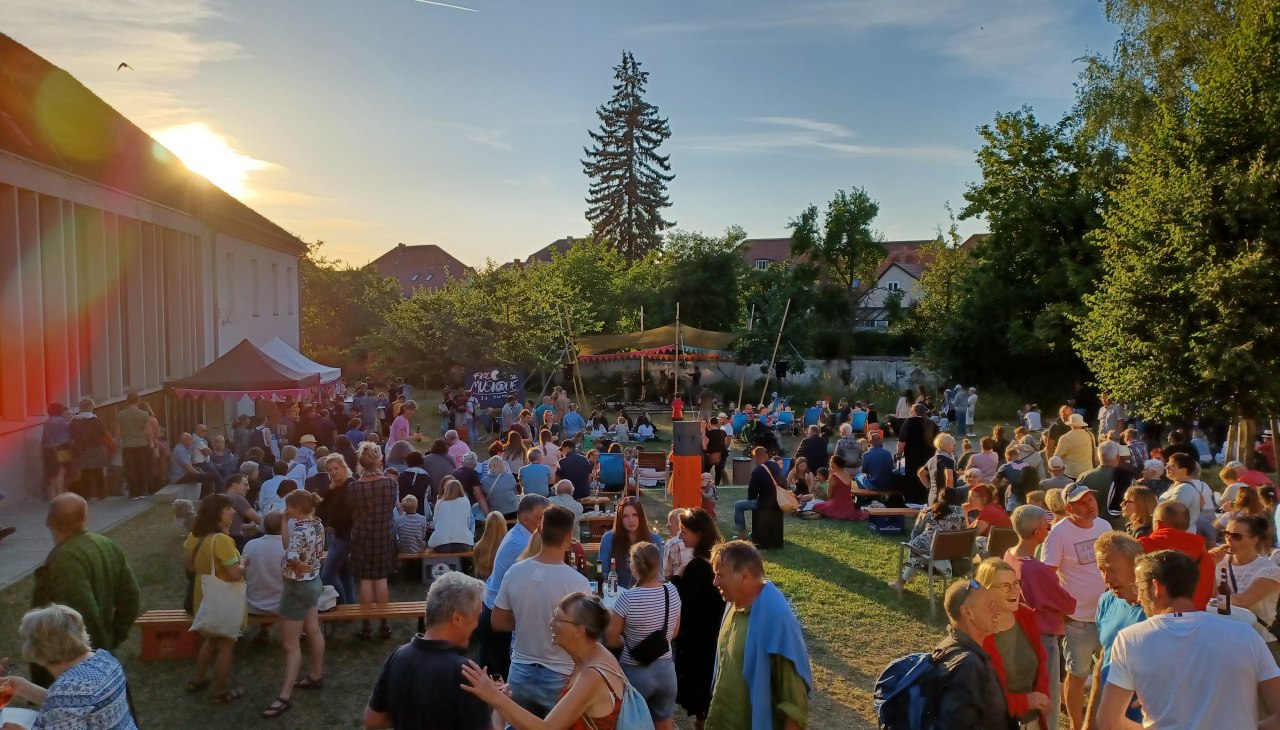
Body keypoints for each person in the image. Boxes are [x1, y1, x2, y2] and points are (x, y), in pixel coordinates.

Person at [1096, 550, 1280, 730]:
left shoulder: (1130, 639)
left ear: (1156, 587)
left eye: (1140, 588)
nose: (1138, 597)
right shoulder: (1245, 634)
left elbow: (1108, 723)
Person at [463, 591, 630, 729]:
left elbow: (548, 728)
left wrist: (495, 698)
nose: (551, 623)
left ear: (579, 630)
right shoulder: (593, 653)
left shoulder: (592, 675)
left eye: (558, 618)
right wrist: (500, 703)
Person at [492, 505, 591, 717]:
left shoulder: (514, 572)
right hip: (560, 671)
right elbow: (585, 634)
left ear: (538, 530)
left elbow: (498, 621)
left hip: (520, 668)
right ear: (569, 538)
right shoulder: (578, 583)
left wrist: (526, 618)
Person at [363, 571, 493, 730]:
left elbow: (372, 720)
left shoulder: (398, 656)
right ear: (457, 619)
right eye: (476, 617)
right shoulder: (466, 674)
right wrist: (498, 707)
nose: (477, 625)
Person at [704, 540, 811, 730]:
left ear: (744, 575)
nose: (715, 582)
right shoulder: (732, 606)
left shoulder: (777, 620)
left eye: (720, 575)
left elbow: (795, 706)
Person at [31, 493, 140, 675]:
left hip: (71, 662)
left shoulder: (64, 559)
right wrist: (114, 636)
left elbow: (82, 613)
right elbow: (131, 597)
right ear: (84, 518)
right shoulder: (106, 544)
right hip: (98, 652)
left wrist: (100, 647)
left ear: (49, 522)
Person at [0, 604, 138, 729]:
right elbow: (75, 706)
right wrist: (24, 688)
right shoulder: (105, 660)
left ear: (40, 649)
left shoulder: (69, 690)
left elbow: (70, 702)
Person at [1041, 484, 1110, 729]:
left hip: (1108, 614)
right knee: (1078, 674)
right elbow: (1047, 575)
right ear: (1070, 508)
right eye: (1082, 501)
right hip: (1078, 619)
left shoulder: (1104, 526)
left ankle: (1101, 721)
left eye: (1091, 499)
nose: (1090, 504)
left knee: (1111, 674)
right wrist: (1059, 609)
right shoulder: (1059, 533)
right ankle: (1076, 724)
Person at [1005, 505, 1074, 730]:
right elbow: (1068, 604)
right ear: (1038, 532)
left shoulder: (1009, 555)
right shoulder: (1037, 570)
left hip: (1017, 636)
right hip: (1042, 639)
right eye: (1047, 526)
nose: (1049, 529)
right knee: (1047, 700)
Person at [261, 489, 327, 719]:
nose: (286, 510)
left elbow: (290, 555)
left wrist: (296, 564)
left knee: (290, 644)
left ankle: (284, 697)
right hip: (313, 583)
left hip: (296, 588)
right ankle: (316, 675)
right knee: (313, 629)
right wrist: (284, 523)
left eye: (288, 506)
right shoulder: (317, 524)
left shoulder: (300, 532)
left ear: (297, 508)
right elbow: (290, 545)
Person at [605, 542, 682, 729]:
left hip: (635, 673)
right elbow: (674, 633)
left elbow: (611, 640)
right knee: (664, 722)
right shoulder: (672, 592)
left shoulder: (626, 598)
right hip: (666, 672)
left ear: (634, 566)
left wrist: (628, 641)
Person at [479, 494, 550, 679]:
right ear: (525, 518)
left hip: (492, 608)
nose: (546, 522)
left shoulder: (519, 534)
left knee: (489, 672)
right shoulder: (521, 544)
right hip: (498, 616)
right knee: (501, 677)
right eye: (541, 517)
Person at [183, 494, 246, 704]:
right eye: (228, 508)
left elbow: (190, 568)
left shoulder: (193, 538)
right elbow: (235, 574)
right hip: (224, 598)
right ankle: (220, 691)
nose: (233, 512)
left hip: (204, 595)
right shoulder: (221, 541)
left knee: (210, 640)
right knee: (226, 645)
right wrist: (244, 563)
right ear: (217, 513)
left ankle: (198, 679)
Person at [973, 558, 1049, 729]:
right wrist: (1025, 702)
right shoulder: (978, 635)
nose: (1015, 590)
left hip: (1032, 722)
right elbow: (982, 697)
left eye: (1016, 583)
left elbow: (1041, 662)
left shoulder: (1026, 616)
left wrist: (1041, 697)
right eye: (1005, 586)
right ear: (986, 591)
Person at [1082, 531, 1147, 729]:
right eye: (1101, 570)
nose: (1106, 578)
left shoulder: (1157, 610)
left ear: (1137, 566)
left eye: (1112, 570)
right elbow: (1104, 660)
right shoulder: (1106, 601)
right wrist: (1089, 721)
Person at [670, 509, 724, 729]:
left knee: (701, 687)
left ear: (699, 533)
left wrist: (677, 578)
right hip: (715, 632)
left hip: (698, 637)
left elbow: (682, 601)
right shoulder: (715, 559)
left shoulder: (697, 567)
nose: (680, 536)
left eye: (685, 531)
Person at [349, 441, 401, 641]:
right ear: (379, 460)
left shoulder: (353, 487)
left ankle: (366, 627)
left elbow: (351, 511)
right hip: (383, 533)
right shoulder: (391, 484)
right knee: (381, 580)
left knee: (365, 580)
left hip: (361, 534)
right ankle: (384, 625)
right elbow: (391, 507)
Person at [1212, 514, 1280, 662]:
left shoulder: (1270, 570)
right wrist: (1209, 566)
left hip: (1259, 642)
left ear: (1255, 539)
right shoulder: (1219, 562)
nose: (1229, 539)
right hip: (1225, 639)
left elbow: (1243, 601)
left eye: (1236, 536)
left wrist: (1213, 597)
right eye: (1226, 533)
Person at [1137, 500, 1214, 610]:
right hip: (1197, 617)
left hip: (1154, 617)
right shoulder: (1205, 556)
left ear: (1157, 523)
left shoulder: (1142, 546)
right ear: (1187, 525)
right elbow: (1212, 592)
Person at [888, 487, 968, 592]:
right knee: (919, 548)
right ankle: (907, 578)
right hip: (949, 554)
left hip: (931, 557)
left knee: (916, 547)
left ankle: (902, 582)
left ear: (939, 497)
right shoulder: (961, 512)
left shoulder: (929, 510)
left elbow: (916, 532)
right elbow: (964, 531)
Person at [316, 454, 357, 606]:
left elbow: (347, 513)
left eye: (336, 468)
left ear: (344, 467)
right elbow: (319, 509)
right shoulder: (335, 488)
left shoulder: (351, 486)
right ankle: (350, 605)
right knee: (344, 573)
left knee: (327, 574)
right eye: (330, 470)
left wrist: (331, 520)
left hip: (345, 536)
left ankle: (343, 604)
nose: (333, 472)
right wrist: (330, 490)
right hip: (335, 534)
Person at [599, 497, 663, 589]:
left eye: (634, 515)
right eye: (625, 516)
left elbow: (658, 575)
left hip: (646, 592)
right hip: (616, 592)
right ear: (620, 519)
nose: (631, 520)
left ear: (640, 516)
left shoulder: (654, 540)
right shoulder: (609, 538)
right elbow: (603, 574)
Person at [243, 511, 286, 640]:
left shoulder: (250, 545)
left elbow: (244, 574)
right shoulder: (288, 548)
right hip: (282, 606)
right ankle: (300, 631)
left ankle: (264, 631)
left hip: (253, 605)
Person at [733, 446, 782, 542]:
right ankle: (757, 532)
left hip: (764, 503)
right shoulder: (776, 466)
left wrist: (753, 498)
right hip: (779, 501)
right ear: (766, 455)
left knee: (738, 505)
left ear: (755, 457)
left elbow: (752, 492)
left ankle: (742, 535)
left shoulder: (757, 471)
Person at [1077, 440, 1131, 520]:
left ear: (1097, 457)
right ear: (1118, 457)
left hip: (1091, 523)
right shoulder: (1129, 479)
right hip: (1119, 525)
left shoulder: (1084, 477)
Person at [896, 403, 938, 504]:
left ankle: (912, 501)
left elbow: (902, 440)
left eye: (911, 411)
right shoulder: (932, 423)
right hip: (929, 455)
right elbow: (938, 441)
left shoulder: (910, 422)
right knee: (927, 476)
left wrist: (899, 454)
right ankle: (926, 499)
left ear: (914, 412)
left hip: (912, 455)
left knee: (912, 477)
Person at [116, 391, 153, 498]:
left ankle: (133, 493)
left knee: (130, 469)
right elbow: (148, 431)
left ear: (127, 401)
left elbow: (118, 433)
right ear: (139, 401)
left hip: (127, 445)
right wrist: (151, 443)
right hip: (142, 444)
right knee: (141, 468)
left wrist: (117, 444)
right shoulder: (144, 414)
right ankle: (142, 491)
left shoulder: (120, 415)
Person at [811, 453, 866, 521]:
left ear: (834, 464)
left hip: (837, 505)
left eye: (830, 463)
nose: (829, 464)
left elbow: (829, 495)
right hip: (849, 505)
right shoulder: (847, 474)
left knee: (816, 506)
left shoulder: (833, 477)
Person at [429, 478, 477, 553]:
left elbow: (435, 523)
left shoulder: (440, 503)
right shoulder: (465, 501)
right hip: (462, 543)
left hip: (440, 544)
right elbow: (468, 522)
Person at [170, 432, 220, 499]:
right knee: (208, 478)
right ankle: (206, 499)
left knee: (203, 474)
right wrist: (200, 474)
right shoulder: (180, 450)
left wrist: (200, 473)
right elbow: (188, 468)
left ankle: (204, 498)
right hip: (180, 477)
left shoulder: (183, 448)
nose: (191, 442)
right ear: (186, 440)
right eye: (190, 440)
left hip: (183, 475)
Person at [1055, 414, 1097, 480]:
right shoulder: (1090, 435)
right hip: (1087, 472)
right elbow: (1094, 451)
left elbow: (1057, 456)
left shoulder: (1065, 437)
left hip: (1071, 473)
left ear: (1070, 425)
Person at [920, 433, 957, 506]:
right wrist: (949, 496)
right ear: (948, 446)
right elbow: (949, 480)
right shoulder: (948, 461)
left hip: (932, 496)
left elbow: (921, 474)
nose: (954, 448)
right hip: (943, 498)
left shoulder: (931, 460)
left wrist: (930, 487)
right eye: (953, 445)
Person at [472, 511, 508, 581]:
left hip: (484, 584)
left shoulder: (477, 548)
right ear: (504, 524)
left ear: (487, 525)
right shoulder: (509, 546)